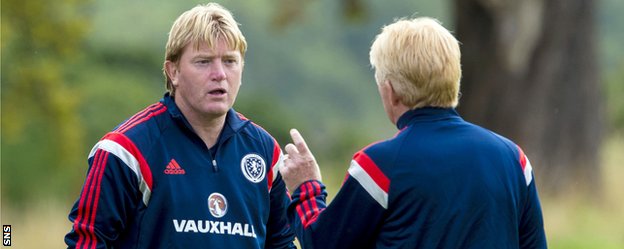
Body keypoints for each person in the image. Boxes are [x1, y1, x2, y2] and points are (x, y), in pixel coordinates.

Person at [279, 17, 547, 249]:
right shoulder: (513, 159)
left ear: (390, 91)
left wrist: (306, 187)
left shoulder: (379, 165)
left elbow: (323, 243)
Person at [65, 3, 295, 248]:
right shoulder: (125, 151)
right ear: (173, 71)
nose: (220, 74)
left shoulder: (266, 152)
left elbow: (281, 244)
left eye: (229, 61)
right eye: (203, 62)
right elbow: (86, 243)